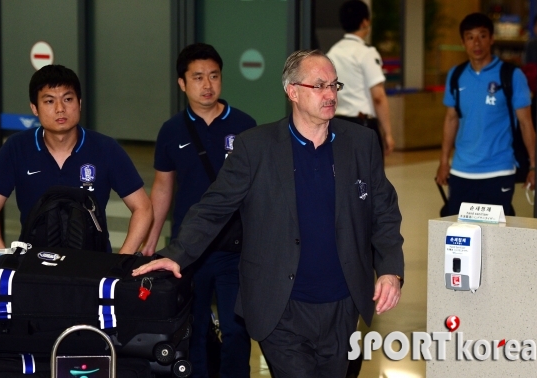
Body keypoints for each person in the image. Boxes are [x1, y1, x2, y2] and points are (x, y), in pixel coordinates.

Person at [134, 49, 404, 378]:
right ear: (292, 91)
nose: (330, 94)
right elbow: (213, 206)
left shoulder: (361, 143)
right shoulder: (256, 147)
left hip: (343, 305)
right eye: (319, 86)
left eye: (335, 85)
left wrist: (390, 268)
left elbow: (384, 210)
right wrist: (176, 254)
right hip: (281, 307)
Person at [141, 43, 255, 378]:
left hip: (235, 248)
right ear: (182, 83)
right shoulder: (171, 131)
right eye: (198, 77)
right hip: (189, 251)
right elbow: (163, 187)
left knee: (237, 329)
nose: (207, 85)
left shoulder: (246, 126)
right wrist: (151, 239)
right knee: (195, 327)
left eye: (214, 76)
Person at [0, 64, 152, 254]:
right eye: (49, 101)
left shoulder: (106, 148)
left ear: (80, 103)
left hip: (92, 266)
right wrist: (0, 256)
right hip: (32, 266)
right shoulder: (16, 147)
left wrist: (120, 262)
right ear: (34, 108)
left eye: (68, 99)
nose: (60, 109)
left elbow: (143, 207)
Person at [435, 13, 536, 216]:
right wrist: (444, 162)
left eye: (482, 35)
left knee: (496, 237)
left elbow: (526, 123)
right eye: (470, 37)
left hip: (498, 170)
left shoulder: (511, 75)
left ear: (491, 38)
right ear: (463, 42)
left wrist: (534, 166)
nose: (476, 42)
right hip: (462, 170)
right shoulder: (456, 76)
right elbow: (451, 118)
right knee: (461, 236)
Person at [327, 0, 395, 157]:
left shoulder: (332, 53)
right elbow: (378, 96)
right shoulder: (366, 53)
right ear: (365, 22)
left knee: (343, 175)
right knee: (368, 178)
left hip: (336, 124)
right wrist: (388, 133)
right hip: (363, 125)